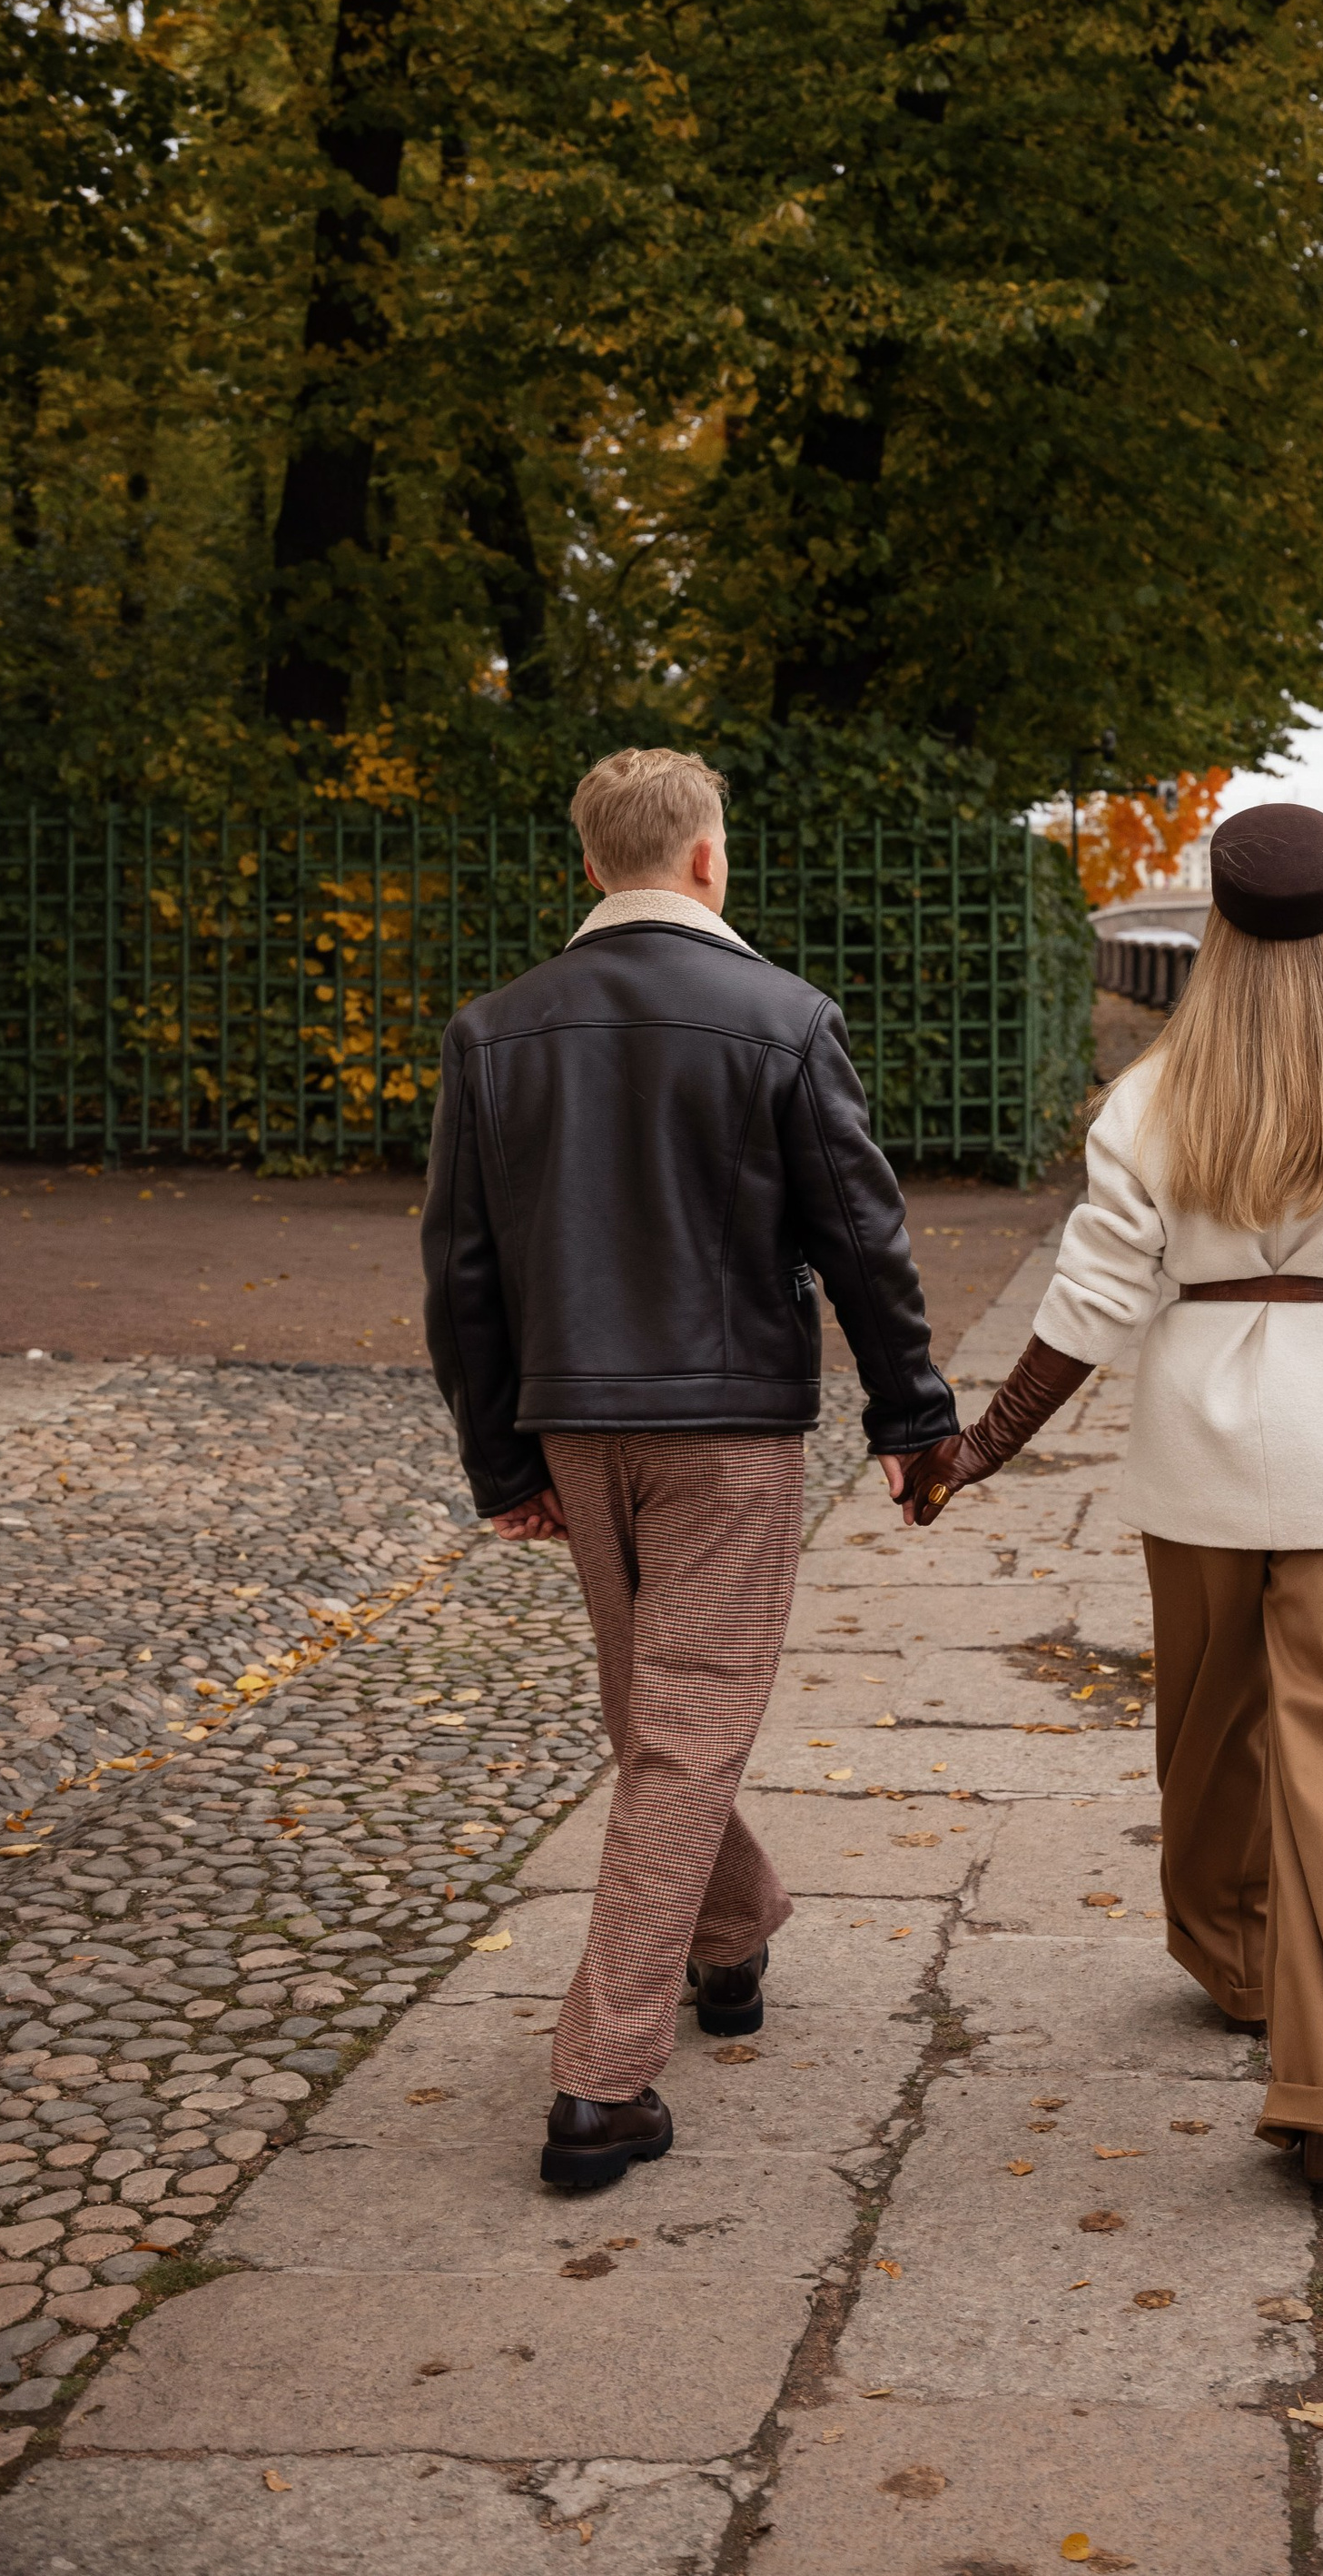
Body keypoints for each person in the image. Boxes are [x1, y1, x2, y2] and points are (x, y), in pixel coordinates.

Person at [886, 803, 1323, 2188]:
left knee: (1206, 1733)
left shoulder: (1153, 1100)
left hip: (1196, 1465)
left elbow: (1089, 1304)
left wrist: (982, 1446)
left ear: (1218, 929)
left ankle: (1232, 1952)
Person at [422, 746, 954, 2193]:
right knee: (683, 1721)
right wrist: (913, 1419)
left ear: (594, 863)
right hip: (727, 1428)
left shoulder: (496, 1029)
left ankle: (732, 1932)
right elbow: (864, 1235)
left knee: (656, 1712)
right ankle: (601, 2081)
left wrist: (501, 1457)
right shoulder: (782, 1017)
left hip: (578, 1424)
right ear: (708, 859)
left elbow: (462, 1268)